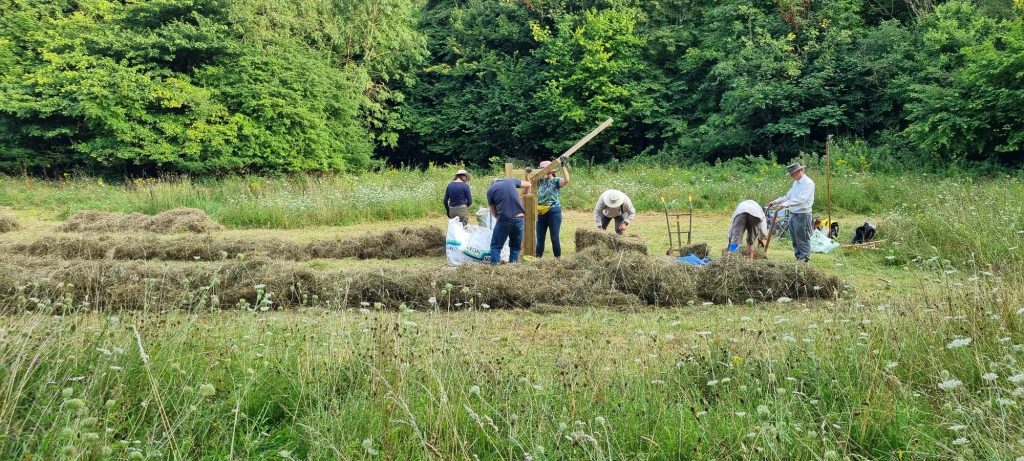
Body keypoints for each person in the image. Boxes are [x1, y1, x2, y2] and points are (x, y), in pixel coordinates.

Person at [768, 163, 815, 262]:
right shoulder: (796, 183)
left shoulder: (808, 183)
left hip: (803, 214)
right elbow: (788, 196)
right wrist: (776, 201)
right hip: (793, 213)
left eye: (792, 174)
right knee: (794, 237)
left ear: (799, 172)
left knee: (802, 237)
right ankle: (798, 257)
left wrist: (785, 204)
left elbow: (801, 199)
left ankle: (804, 258)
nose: (791, 176)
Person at [486, 177, 532, 265]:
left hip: (505, 219)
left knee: (496, 246)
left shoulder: (490, 191)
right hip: (519, 218)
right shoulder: (510, 180)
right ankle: (514, 267)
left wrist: (500, 220)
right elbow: (528, 184)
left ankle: (495, 269)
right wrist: (527, 180)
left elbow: (494, 213)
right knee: (515, 247)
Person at [536, 158, 570, 258]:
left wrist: (563, 166)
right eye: (541, 170)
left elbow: (566, 180)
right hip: (541, 212)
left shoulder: (556, 181)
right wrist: (528, 172)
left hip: (553, 212)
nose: (543, 172)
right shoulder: (539, 181)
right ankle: (537, 258)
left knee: (554, 237)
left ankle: (557, 260)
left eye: (544, 170)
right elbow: (528, 181)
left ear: (551, 171)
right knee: (540, 238)